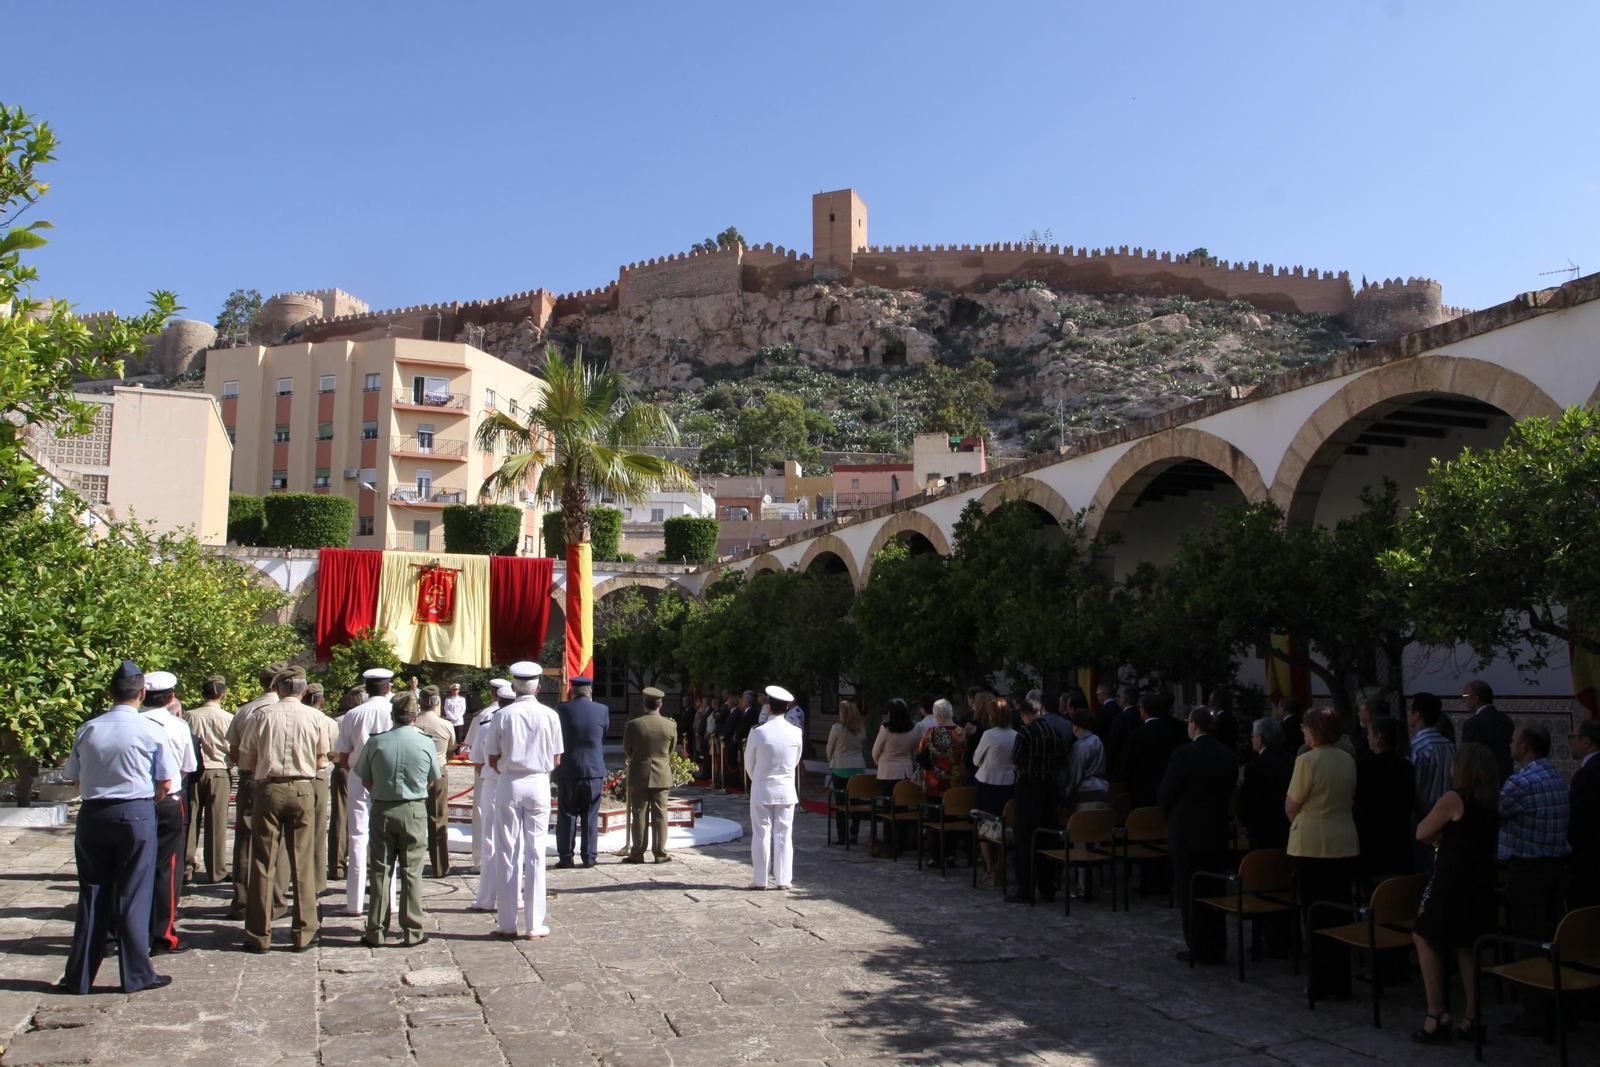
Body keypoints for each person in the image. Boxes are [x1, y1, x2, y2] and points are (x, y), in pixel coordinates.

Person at [58, 661, 175, 995]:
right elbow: (164, 781)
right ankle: (137, 974)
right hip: (136, 811)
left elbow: (75, 776)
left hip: (94, 813)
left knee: (93, 894)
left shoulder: (89, 728)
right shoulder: (151, 729)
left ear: (110, 693)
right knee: (134, 894)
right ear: (142, 694)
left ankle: (79, 975)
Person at [1409, 742, 1500, 1043]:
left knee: (1424, 936)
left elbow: (1422, 831)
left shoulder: (1453, 798)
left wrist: (1439, 837)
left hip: (1452, 881)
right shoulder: (1490, 800)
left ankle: (1437, 1014)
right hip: (1481, 880)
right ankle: (1473, 1016)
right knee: (1466, 945)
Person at [237, 667, 326, 953]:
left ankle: (258, 934)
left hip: (268, 787)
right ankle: (304, 931)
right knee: (302, 861)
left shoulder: (261, 715)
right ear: (302, 690)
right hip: (302, 787)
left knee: (263, 861)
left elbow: (248, 759)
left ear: (278, 688)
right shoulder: (316, 717)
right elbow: (322, 761)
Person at [1496, 724, 1572, 1038]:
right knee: (1549, 938)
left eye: (1514, 741)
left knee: (1528, 942)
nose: (1510, 746)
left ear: (1525, 747)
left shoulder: (1521, 782)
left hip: (1527, 871)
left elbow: (1494, 814)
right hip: (1555, 869)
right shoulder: (1555, 777)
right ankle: (1558, 1009)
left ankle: (1535, 1015)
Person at [351, 692, 440, 947]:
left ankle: (375, 930)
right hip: (414, 810)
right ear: (415, 717)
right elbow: (432, 779)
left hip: (383, 809)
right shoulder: (425, 743)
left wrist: (383, 792)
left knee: (380, 871)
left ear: (393, 716)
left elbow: (365, 778)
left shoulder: (376, 742)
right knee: (412, 872)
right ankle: (413, 931)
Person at [1285, 707, 1359, 1000]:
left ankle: (1319, 982)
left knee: (1315, 914)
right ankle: (1341, 981)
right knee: (1339, 912)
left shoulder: (1307, 761)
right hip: (1344, 840)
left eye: (1306, 727)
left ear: (1315, 730)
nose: (1303, 731)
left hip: (1311, 843)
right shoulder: (1348, 759)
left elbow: (1291, 805)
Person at [486, 662, 563, 939]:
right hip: (539, 781)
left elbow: (492, 758)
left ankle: (507, 922)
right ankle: (534, 923)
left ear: (514, 686)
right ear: (539, 687)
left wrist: (510, 770)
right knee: (535, 852)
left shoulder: (503, 715)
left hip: (509, 781)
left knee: (507, 850)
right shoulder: (550, 715)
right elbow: (556, 758)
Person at [1159, 707, 1237, 964]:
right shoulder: (1227, 754)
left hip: (1188, 833)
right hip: (1215, 831)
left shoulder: (1183, 754)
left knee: (1190, 892)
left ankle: (1198, 946)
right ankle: (1217, 945)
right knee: (1215, 889)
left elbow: (1167, 793)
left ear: (1193, 724)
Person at [138, 671, 197, 956]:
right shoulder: (176, 726)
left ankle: (118, 931)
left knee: (126, 866)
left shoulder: (128, 723)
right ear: (170, 697)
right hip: (168, 800)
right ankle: (162, 933)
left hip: (131, 800)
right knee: (167, 867)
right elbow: (187, 767)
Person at [226, 662, 290, 921]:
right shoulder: (290, 711)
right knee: (279, 839)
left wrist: (247, 767)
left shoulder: (244, 711)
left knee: (245, 838)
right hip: (277, 778)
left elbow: (233, 748)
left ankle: (242, 900)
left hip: (249, 778)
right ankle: (276, 900)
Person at [335, 667, 397, 918]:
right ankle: (389, 900)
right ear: (389, 688)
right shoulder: (394, 711)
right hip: (389, 776)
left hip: (359, 774)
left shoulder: (353, 714)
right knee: (390, 838)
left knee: (358, 835)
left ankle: (354, 902)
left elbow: (343, 754)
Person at [1007, 693, 1067, 904]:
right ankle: (1047, 886)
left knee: (1025, 839)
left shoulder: (1025, 733)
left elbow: (1015, 762)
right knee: (1047, 837)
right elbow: (1062, 761)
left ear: (1024, 715)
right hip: (1050, 789)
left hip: (1029, 788)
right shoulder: (1054, 731)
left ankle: (1026, 888)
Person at [744, 686, 804, 890]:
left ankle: (760, 880)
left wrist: (759, 780)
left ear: (769, 707)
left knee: (761, 833)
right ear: (787, 708)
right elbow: (795, 761)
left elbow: (748, 763)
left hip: (763, 787)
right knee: (784, 835)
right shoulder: (796, 732)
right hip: (786, 788)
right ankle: (783, 879)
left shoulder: (758, 732)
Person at [554, 674, 609, 869]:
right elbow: (603, 734)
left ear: (572, 692)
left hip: (568, 768)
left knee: (567, 814)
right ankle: (589, 856)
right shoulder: (602, 710)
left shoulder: (561, 709)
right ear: (590, 692)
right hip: (593, 769)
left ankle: (566, 857)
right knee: (590, 814)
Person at [182, 675, 232, 885]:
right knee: (217, 823)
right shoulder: (229, 718)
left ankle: (185, 867)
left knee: (190, 819)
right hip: (219, 771)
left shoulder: (188, 716)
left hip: (193, 772)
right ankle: (216, 869)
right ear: (223, 695)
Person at [466, 680, 511, 910]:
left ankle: (486, 895)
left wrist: (487, 775)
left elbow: (476, 758)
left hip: (491, 781)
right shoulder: (540, 717)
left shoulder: (485, 721)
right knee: (516, 840)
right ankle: (514, 896)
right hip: (516, 782)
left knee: (488, 836)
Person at [1353, 715, 1414, 881]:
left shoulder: (1364, 767)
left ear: (1378, 737)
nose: (1367, 737)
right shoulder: (1406, 766)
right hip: (1400, 841)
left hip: (1371, 843)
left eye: (1370, 734)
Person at [622, 686, 678, 863]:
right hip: (662, 773)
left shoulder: (634, 724)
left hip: (639, 772)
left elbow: (627, 749)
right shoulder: (670, 725)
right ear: (660, 705)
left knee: (639, 813)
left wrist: (639, 759)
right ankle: (660, 853)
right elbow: (671, 749)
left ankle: (637, 853)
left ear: (644, 705)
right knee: (661, 814)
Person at [413, 686, 457, 877]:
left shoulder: (413, 724)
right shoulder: (445, 725)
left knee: (413, 818)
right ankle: (440, 866)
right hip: (438, 770)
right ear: (438, 702)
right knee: (438, 818)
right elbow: (451, 750)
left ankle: (412, 864)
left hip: (414, 772)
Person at [1408, 692, 1454, 874]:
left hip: (1424, 813)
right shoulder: (1448, 745)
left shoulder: (1418, 746)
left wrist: (1428, 814)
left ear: (1417, 714)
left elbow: (1415, 786)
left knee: (1423, 865)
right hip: (1448, 813)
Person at [303, 683, 339, 893]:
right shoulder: (328, 723)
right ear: (322, 700)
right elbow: (333, 753)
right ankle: (317, 878)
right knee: (317, 828)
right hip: (317, 774)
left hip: (294, 774)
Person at [1237, 717, 1295, 850]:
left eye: (1253, 736)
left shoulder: (1254, 766)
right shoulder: (1293, 761)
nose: (1251, 739)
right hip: (1288, 829)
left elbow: (1246, 803)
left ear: (1260, 739)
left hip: (1261, 832)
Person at [1121, 691, 1182, 809]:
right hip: (1165, 786)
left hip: (1140, 790)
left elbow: (1128, 764)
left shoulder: (1136, 735)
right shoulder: (1170, 733)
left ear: (1143, 711)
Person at [326, 685, 362, 882]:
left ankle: (337, 864)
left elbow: (329, 751)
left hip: (343, 766)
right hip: (357, 767)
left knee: (340, 815)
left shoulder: (339, 721)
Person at [826, 700, 869, 845]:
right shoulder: (861, 729)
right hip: (857, 766)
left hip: (840, 765)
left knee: (840, 803)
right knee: (856, 801)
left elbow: (829, 747)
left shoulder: (837, 728)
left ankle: (841, 834)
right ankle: (854, 833)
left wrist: (831, 760)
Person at [1569, 720, 1600, 910]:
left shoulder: (1586, 774)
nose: (1570, 742)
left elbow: (1577, 820)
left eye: (1573, 738)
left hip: (1589, 861)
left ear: (1586, 741)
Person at [1460, 679, 1514, 783]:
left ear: (1476, 698)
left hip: (1481, 783)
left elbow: (1467, 757)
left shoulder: (1474, 722)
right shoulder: (1506, 720)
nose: (1464, 701)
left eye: (1465, 696)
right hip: (1504, 779)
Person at [917, 699, 967, 800]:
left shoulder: (933, 732)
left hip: (937, 783)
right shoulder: (961, 731)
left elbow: (921, 749)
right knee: (953, 812)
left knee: (936, 813)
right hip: (957, 781)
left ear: (939, 716)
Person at [1063, 706, 1109, 812]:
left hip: (1086, 794)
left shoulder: (1079, 746)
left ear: (1077, 726)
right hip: (1103, 789)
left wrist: (1066, 794)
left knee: (1085, 827)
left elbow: (1075, 774)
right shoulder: (1097, 740)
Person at [1105, 684, 1142, 778]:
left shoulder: (1120, 718)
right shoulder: (1141, 717)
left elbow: (1114, 743)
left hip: (1122, 763)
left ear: (1124, 699)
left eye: (1120, 698)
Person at [443, 682, 468, 746]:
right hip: (450, 720)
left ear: (458, 690)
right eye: (453, 690)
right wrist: (452, 717)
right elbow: (447, 710)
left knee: (458, 736)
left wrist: (457, 717)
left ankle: (458, 750)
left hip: (459, 720)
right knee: (451, 736)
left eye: (456, 690)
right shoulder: (448, 699)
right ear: (451, 690)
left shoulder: (462, 699)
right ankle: (451, 749)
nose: (455, 691)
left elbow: (463, 710)